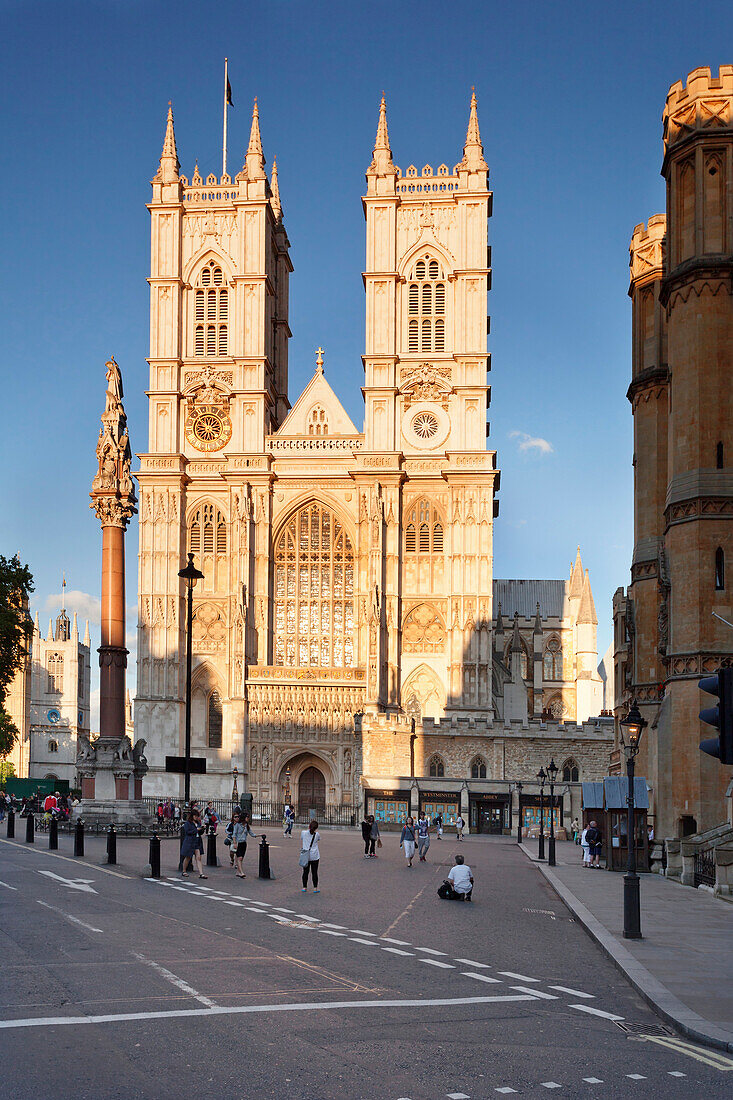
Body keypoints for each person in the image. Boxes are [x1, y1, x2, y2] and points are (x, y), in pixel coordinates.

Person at [233, 813, 259, 878]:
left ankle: (238, 872)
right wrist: (235, 843)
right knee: (240, 858)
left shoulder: (247, 826)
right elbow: (234, 834)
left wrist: (259, 835)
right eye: (247, 817)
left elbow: (252, 834)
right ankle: (241, 872)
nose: (248, 818)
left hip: (244, 843)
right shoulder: (237, 825)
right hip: (239, 842)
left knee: (241, 858)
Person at [300, 819, 321, 892]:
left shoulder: (303, 833)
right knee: (314, 872)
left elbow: (302, 838)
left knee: (305, 872)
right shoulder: (317, 834)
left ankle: (304, 887)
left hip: (306, 855)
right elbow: (319, 839)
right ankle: (315, 888)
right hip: (315, 855)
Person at [180, 812, 202, 877]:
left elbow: (199, 832)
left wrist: (202, 829)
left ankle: (201, 873)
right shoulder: (187, 823)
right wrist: (196, 830)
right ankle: (184, 871)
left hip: (197, 841)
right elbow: (187, 832)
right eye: (195, 816)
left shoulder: (198, 823)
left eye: (197, 816)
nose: (196, 817)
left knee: (198, 858)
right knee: (188, 857)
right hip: (190, 842)